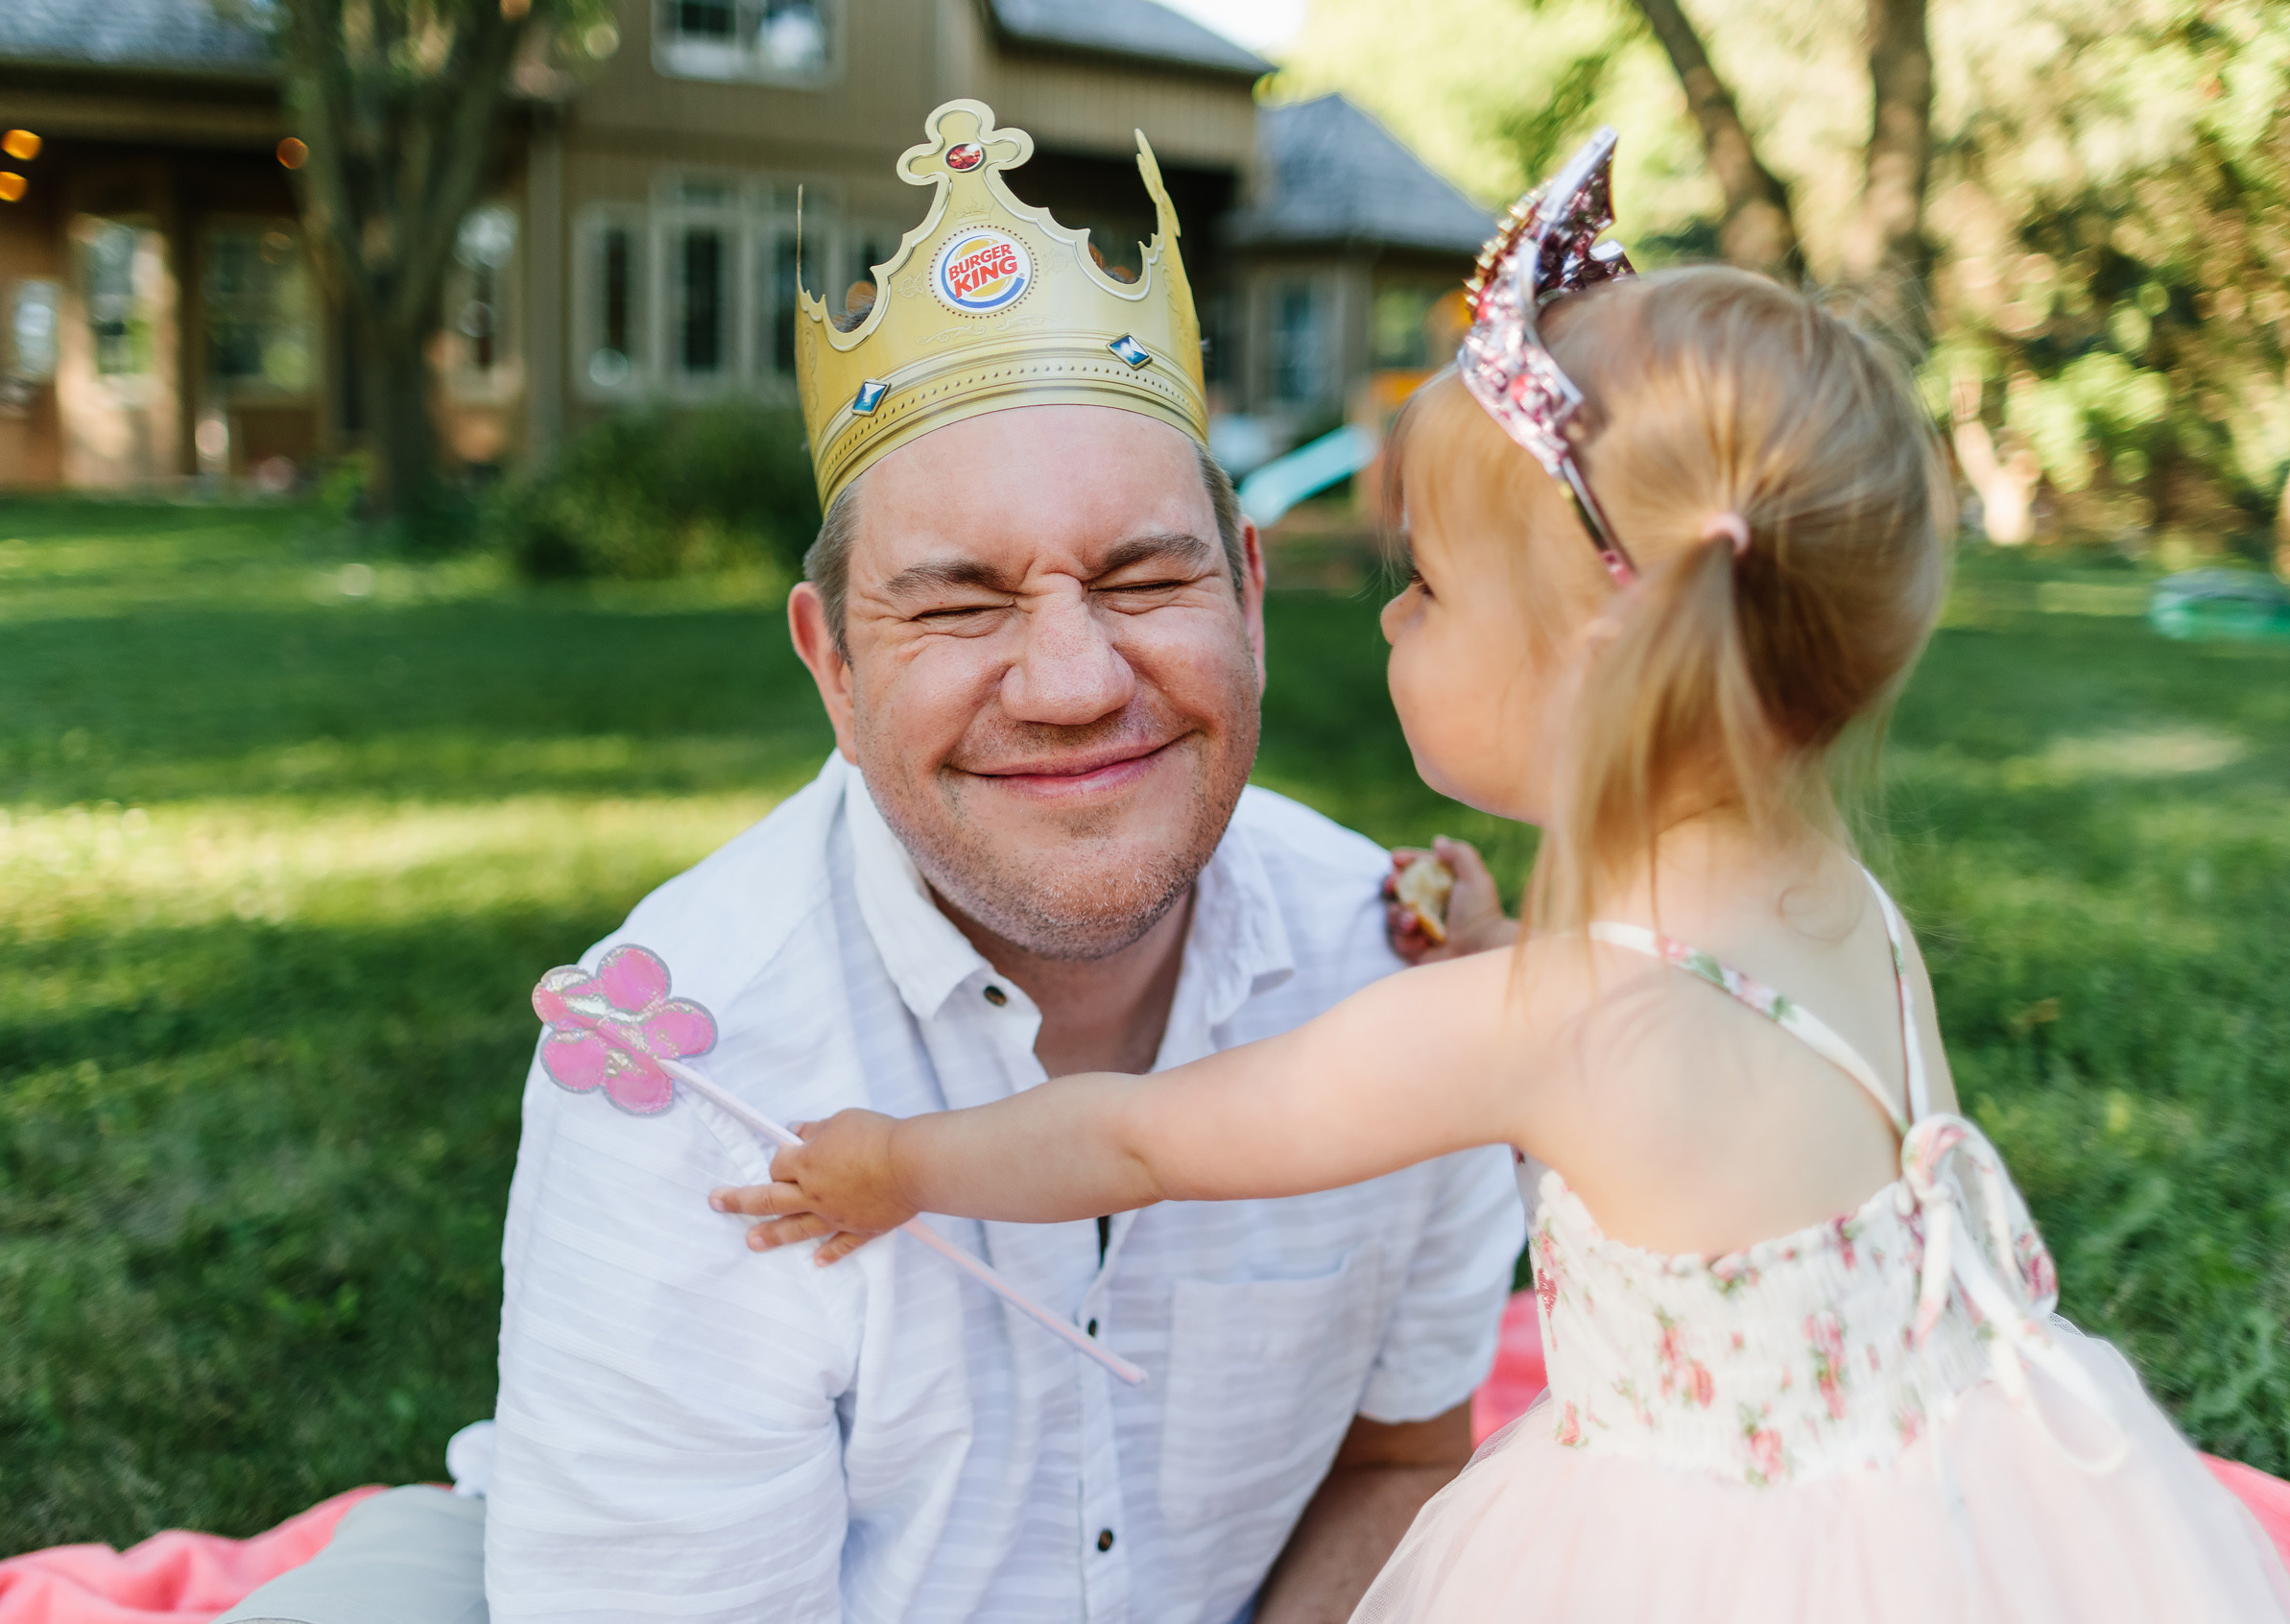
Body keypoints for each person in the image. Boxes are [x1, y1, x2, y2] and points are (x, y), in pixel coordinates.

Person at [714, 132, 2290, 1621]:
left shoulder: (1543, 1026)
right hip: (1956, 1508)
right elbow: (1692, 1070)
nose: (1393, 622)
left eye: (1429, 586)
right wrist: (1497, 946)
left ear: (1604, 652)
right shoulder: (1831, 902)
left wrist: (906, 1167)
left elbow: (1140, 1138)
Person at [467, 100, 1526, 1624]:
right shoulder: (681, 1068)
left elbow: (1397, 1464)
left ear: (1249, 589)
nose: (1074, 681)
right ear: (830, 664)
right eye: (960, 607)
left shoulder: (1400, 973)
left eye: (1143, 576)